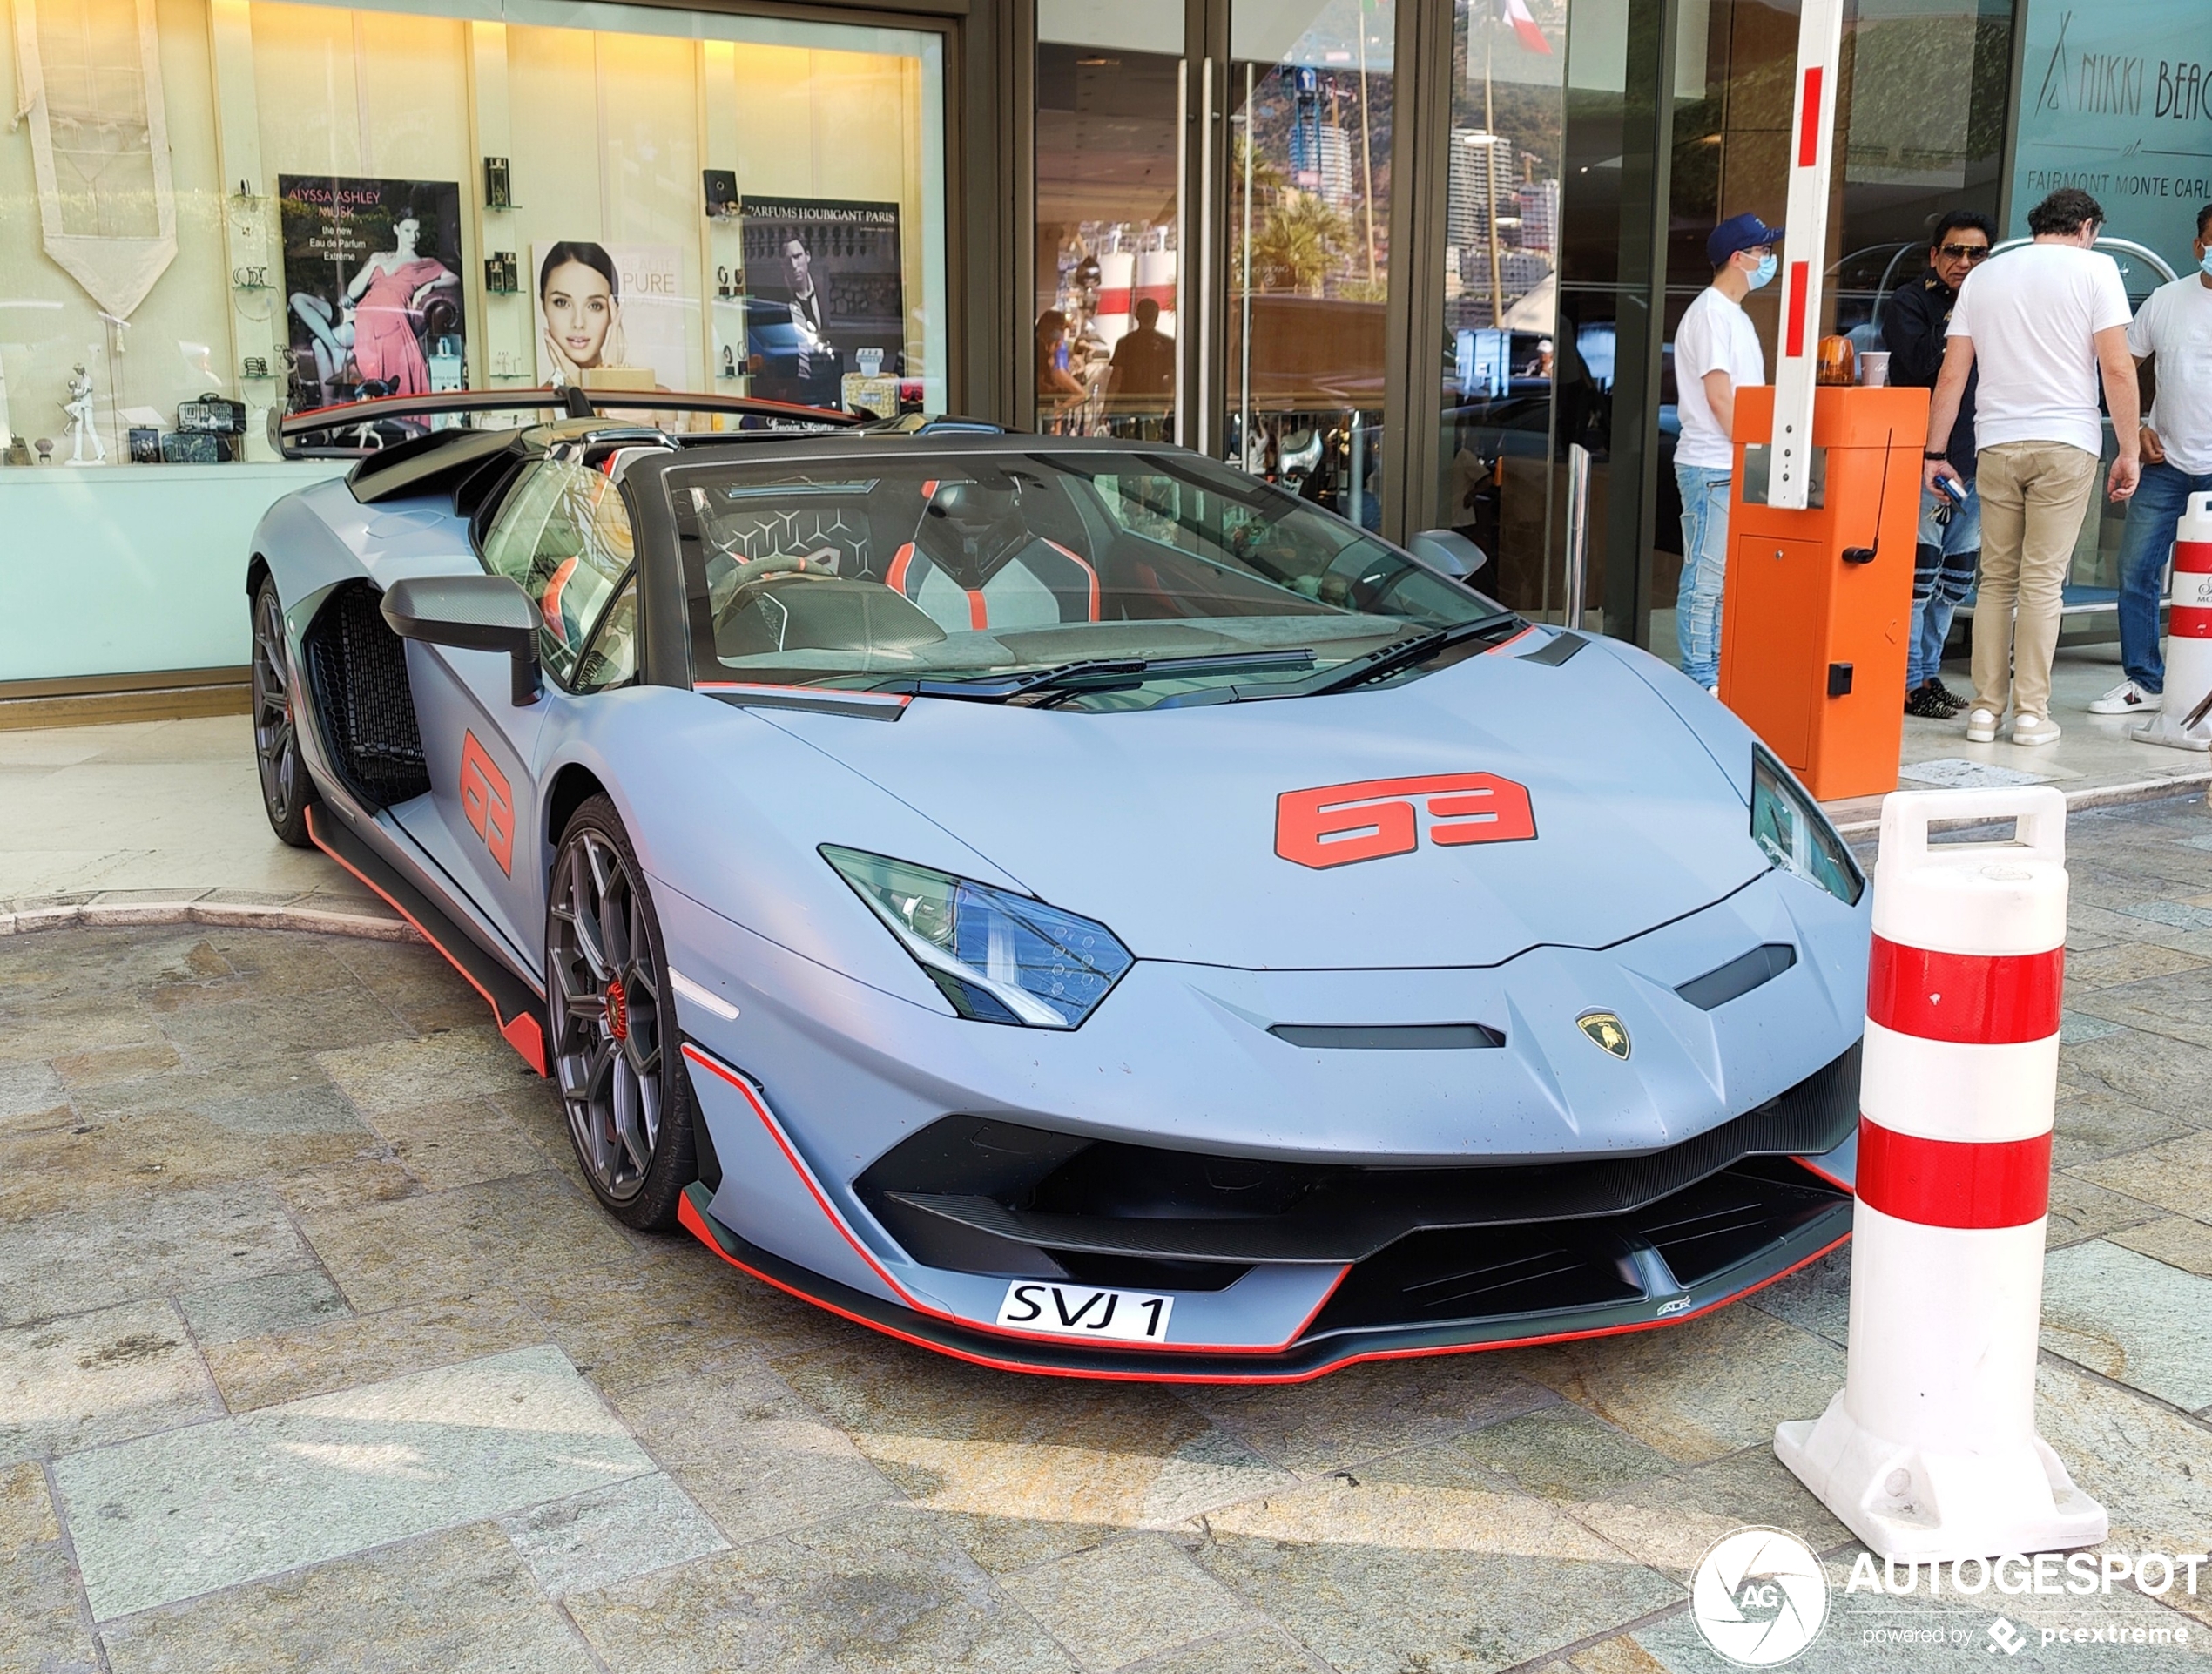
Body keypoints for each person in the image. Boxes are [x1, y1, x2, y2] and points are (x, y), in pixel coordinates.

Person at [1924, 187, 2139, 747]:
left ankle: (1984, 711)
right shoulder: (2097, 271)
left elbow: (1953, 375)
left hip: (1997, 443)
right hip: (2066, 441)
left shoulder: (1986, 277)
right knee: (2042, 582)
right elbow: (2117, 369)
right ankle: (2030, 715)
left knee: (1994, 581)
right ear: (2087, 226)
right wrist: (2129, 450)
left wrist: (1935, 452)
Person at [2096, 202, 2212, 718]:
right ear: (2198, 246)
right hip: (2165, 463)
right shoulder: (2166, 301)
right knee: (2136, 570)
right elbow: (2128, 366)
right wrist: (2137, 424)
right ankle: (2144, 681)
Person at [1885, 211, 1995, 719]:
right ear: (1935, 256)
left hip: (1978, 458)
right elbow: (1923, 363)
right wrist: (1962, 314)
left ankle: (1930, 673)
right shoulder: (1911, 301)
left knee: (1955, 578)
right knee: (1918, 576)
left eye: (1977, 253)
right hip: (1926, 461)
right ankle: (1907, 680)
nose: (1965, 262)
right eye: (1955, 251)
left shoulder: (1996, 305)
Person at [1674, 211, 1783, 692]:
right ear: (1739, 259)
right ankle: (1699, 679)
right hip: (1713, 464)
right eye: (1763, 252)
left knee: (1717, 586)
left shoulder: (1730, 316)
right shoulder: (1712, 315)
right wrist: (1752, 453)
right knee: (1704, 582)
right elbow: (1720, 397)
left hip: (1725, 463)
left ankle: (1715, 674)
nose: (1768, 259)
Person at [347, 207, 457, 397]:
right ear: (396, 230)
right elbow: (352, 292)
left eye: (417, 231)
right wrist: (374, 262)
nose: (414, 236)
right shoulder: (379, 257)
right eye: (408, 230)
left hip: (392, 313)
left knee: (335, 345)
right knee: (322, 345)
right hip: (367, 311)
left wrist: (429, 287)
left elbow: (454, 278)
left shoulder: (423, 262)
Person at [537, 242, 626, 387]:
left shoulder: (656, 404)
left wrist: (610, 379)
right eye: (562, 303)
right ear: (543, 305)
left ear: (613, 312)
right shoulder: (537, 405)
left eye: (594, 306)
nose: (578, 323)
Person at [1106, 298, 1175, 423]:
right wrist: (1167, 406)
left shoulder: (1125, 343)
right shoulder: (1168, 344)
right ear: (1156, 316)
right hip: (1153, 405)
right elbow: (1172, 380)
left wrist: (1106, 409)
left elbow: (1116, 378)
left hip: (1125, 404)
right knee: (1149, 441)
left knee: (1122, 441)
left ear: (1137, 316)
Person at [1035, 310, 1084, 430]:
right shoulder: (1051, 365)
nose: (1060, 341)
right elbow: (1081, 393)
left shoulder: (1045, 361)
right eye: (1059, 333)